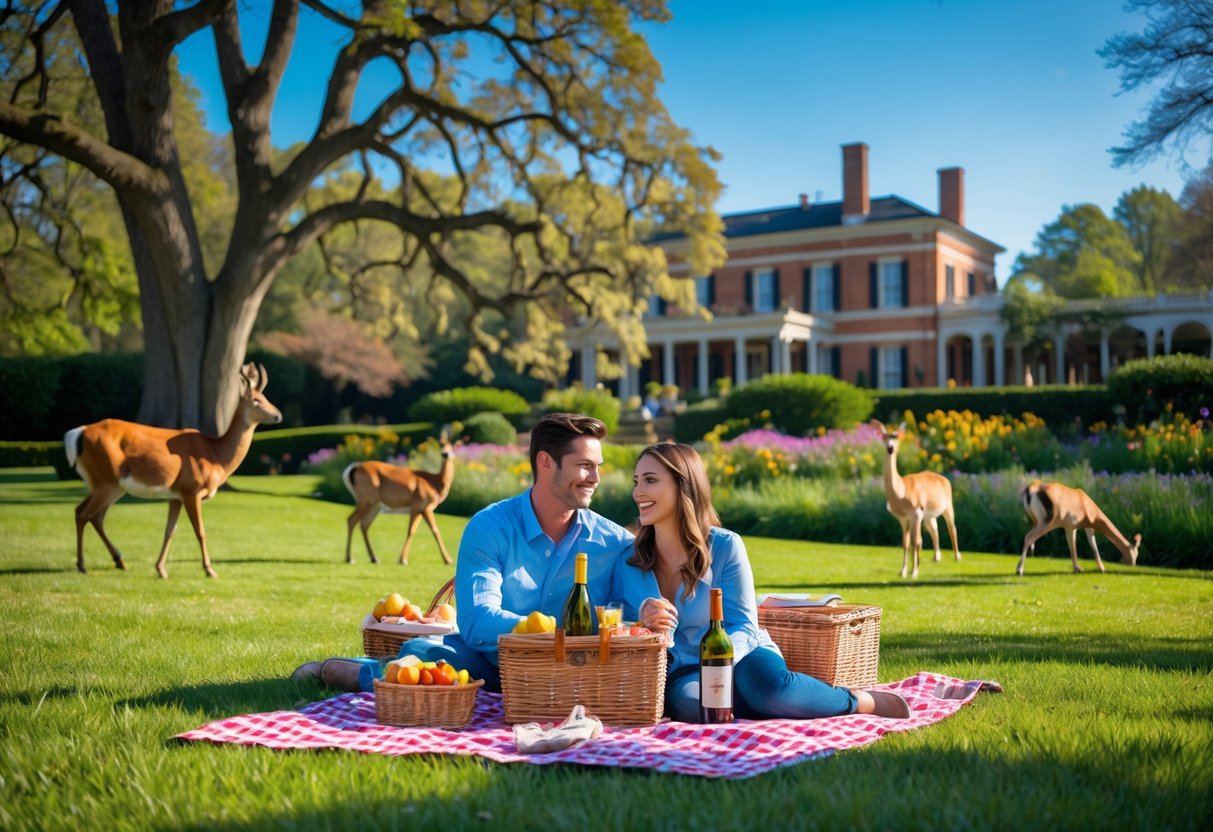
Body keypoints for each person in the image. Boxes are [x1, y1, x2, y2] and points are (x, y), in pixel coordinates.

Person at [294, 413, 638, 693]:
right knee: (423, 653)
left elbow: (637, 620)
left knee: (421, 656)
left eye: (598, 466)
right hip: (494, 664)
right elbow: (476, 623)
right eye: (585, 465)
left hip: (578, 674)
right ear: (546, 462)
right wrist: (545, 632)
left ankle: (371, 669)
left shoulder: (615, 540)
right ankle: (357, 675)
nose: (596, 477)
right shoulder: (490, 527)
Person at [625, 442, 909, 722]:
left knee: (771, 692)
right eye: (636, 481)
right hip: (681, 670)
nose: (638, 492)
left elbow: (745, 625)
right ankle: (756, 703)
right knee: (693, 706)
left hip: (743, 653)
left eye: (650, 480)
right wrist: (640, 621)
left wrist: (715, 665)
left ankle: (858, 701)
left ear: (683, 486)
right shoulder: (629, 560)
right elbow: (616, 626)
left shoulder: (725, 546)